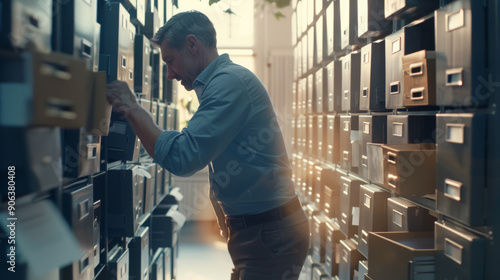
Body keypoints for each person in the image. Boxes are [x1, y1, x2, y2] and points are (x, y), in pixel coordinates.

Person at [106, 10, 309, 280]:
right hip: (260, 231)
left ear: (192, 44)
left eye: (171, 61)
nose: (169, 74)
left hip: (268, 233)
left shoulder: (228, 84)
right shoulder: (220, 83)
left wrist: (132, 109)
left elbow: (183, 157)